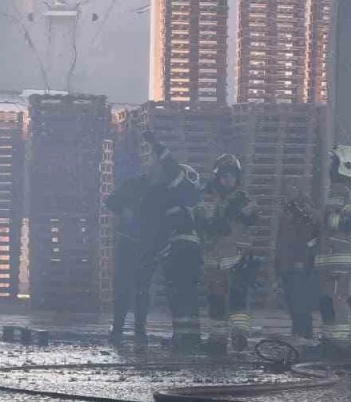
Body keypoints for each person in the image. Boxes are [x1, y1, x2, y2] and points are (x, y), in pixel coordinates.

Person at [143, 130, 203, 353]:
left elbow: (169, 164)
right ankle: (187, 337)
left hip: (182, 252)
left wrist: (155, 143)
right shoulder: (183, 198)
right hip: (185, 252)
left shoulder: (182, 190)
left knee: (180, 296)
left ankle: (185, 339)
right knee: (185, 296)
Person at [195, 154, 259, 353]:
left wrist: (229, 214)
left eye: (231, 175)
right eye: (224, 175)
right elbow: (200, 222)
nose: (228, 179)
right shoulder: (208, 200)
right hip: (214, 260)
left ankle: (240, 336)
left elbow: (250, 218)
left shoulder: (243, 200)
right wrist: (210, 220)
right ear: (217, 177)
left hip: (237, 258)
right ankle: (217, 340)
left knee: (238, 299)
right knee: (215, 301)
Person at [315, 145, 351, 359]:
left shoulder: (349, 190)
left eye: (333, 162)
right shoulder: (340, 189)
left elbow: (350, 222)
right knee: (327, 302)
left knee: (337, 302)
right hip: (331, 258)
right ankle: (329, 342)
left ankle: (341, 347)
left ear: (344, 165)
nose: (330, 166)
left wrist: (323, 220)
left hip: (341, 258)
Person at [104, 172, 157, 344]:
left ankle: (130, 329)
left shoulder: (154, 189)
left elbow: (110, 202)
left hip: (140, 245)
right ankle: (129, 329)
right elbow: (111, 202)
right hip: (134, 244)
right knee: (134, 288)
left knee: (134, 288)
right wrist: (124, 210)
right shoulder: (138, 186)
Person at [275, 179, 319, 340]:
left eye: (291, 190)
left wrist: (302, 259)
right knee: (291, 300)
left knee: (300, 300)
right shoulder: (287, 212)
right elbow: (281, 240)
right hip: (287, 263)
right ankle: (298, 332)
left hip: (300, 263)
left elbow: (309, 237)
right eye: (285, 191)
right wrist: (278, 265)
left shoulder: (305, 210)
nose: (287, 194)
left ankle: (304, 334)